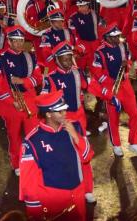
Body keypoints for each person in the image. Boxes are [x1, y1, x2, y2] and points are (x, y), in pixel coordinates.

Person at [19, 90, 93, 221]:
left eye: (65, 109)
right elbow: (28, 185)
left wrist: (76, 136)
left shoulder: (74, 126)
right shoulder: (32, 141)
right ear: (48, 114)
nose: (65, 114)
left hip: (78, 195)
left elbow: (87, 157)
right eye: (60, 111)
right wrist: (36, 214)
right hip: (53, 201)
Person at [41, 41, 96, 203]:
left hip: (79, 117)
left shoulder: (77, 72)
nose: (67, 62)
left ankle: (87, 189)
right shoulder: (50, 78)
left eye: (69, 58)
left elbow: (86, 86)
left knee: (83, 150)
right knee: (63, 154)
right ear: (56, 59)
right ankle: (66, 188)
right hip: (60, 119)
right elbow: (44, 101)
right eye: (63, 59)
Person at [0, 26, 41, 175]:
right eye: (15, 41)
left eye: (21, 40)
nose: (18, 44)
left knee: (34, 133)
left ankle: (34, 159)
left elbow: (38, 79)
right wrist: (12, 101)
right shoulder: (0, 59)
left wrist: (23, 81)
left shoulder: (31, 57)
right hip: (11, 102)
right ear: (9, 41)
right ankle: (17, 163)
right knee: (14, 135)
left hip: (29, 99)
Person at [90, 23, 137, 157]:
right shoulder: (100, 52)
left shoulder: (123, 45)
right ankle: (116, 145)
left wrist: (128, 64)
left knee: (135, 113)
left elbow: (129, 59)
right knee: (113, 117)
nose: (117, 39)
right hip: (111, 87)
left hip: (125, 83)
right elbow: (96, 71)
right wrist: (110, 83)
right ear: (107, 37)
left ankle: (134, 142)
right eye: (114, 37)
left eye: (118, 36)